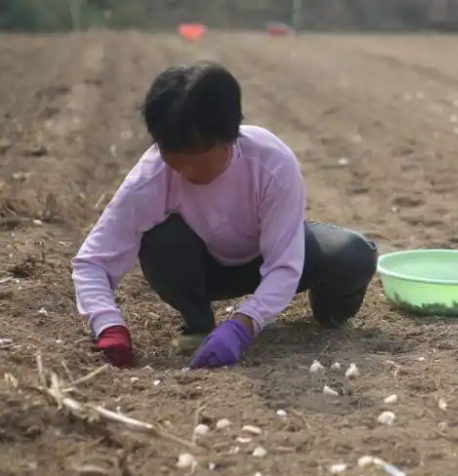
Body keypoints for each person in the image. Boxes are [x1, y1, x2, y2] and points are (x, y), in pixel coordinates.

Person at [72, 61, 379, 369]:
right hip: (204, 269)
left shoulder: (271, 163)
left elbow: (284, 266)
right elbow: (93, 261)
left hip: (264, 255)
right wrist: (108, 326)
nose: (186, 171)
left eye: (196, 158)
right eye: (173, 158)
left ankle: (329, 313)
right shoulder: (151, 177)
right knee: (161, 237)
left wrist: (243, 325)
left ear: (230, 136)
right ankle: (198, 323)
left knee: (352, 254)